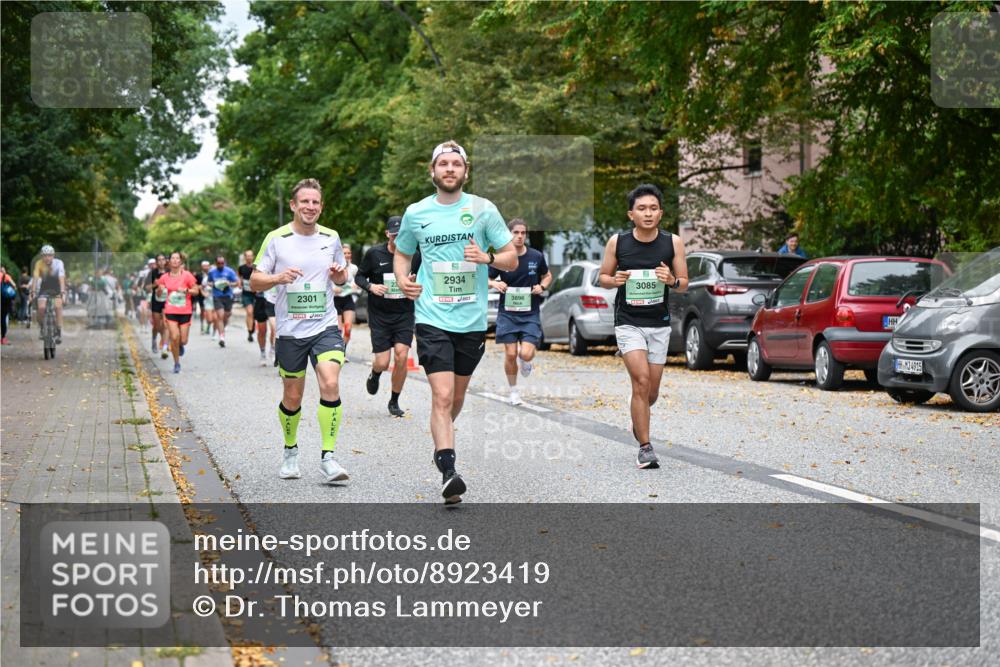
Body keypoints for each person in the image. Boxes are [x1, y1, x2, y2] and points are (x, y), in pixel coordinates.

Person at [394, 140, 517, 504]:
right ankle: (449, 470)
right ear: (432, 171)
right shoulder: (416, 213)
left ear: (466, 171)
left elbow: (510, 258)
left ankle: (441, 436)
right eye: (443, 164)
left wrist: (487, 256)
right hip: (431, 316)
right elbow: (403, 253)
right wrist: (403, 280)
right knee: (442, 394)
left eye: (456, 164)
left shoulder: (483, 209)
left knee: (456, 396)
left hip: (472, 320)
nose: (449, 169)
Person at [250, 178, 350, 483]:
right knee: (292, 396)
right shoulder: (276, 238)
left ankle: (328, 457)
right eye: (304, 202)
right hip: (291, 332)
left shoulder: (331, 238)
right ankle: (291, 451)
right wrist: (278, 278)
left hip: (325, 327)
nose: (310, 207)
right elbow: (255, 281)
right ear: (293, 205)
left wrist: (339, 274)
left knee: (330, 382)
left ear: (321, 207)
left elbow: (343, 279)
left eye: (315, 202)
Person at [598, 183, 688, 469]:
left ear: (660, 214)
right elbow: (602, 277)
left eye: (653, 208)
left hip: (658, 324)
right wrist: (615, 281)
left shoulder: (673, 242)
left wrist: (670, 280)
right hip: (628, 323)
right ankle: (645, 448)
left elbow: (684, 285)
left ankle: (638, 410)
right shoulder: (618, 242)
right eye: (642, 209)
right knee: (641, 381)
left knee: (651, 393)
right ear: (631, 214)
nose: (648, 213)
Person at [356, 215, 422, 417]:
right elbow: (359, 276)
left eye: (402, 235)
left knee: (402, 356)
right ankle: (375, 373)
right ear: (387, 235)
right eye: (394, 235)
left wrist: (414, 281)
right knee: (383, 362)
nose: (398, 239)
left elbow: (423, 280)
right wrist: (371, 286)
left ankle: (394, 400)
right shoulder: (375, 253)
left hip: (404, 313)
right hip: (380, 315)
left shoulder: (415, 256)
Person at [487, 218, 553, 406]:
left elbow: (547, 276)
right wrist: (495, 283)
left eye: (523, 233)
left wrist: (542, 286)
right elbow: (485, 279)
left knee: (525, 353)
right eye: (516, 233)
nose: (520, 236)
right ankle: (514, 392)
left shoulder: (536, 256)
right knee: (510, 354)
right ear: (509, 234)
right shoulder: (501, 257)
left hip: (529, 314)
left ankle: (525, 361)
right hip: (507, 314)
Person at [155, 251, 198, 373]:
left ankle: (179, 345)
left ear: (180, 261)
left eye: (177, 258)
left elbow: (196, 290)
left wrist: (187, 291)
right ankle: (176, 363)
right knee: (174, 337)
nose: (174, 260)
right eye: (172, 258)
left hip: (185, 311)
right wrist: (159, 289)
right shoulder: (164, 277)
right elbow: (159, 294)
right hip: (171, 310)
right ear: (169, 261)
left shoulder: (187, 275)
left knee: (183, 340)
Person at [32, 245, 66, 344]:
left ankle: (58, 332)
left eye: (50, 255)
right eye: (45, 255)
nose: (47, 258)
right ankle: (42, 328)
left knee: (58, 307)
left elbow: (61, 277)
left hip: (56, 287)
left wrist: (63, 292)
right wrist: (33, 292)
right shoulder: (39, 264)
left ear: (53, 255)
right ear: (42, 256)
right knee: (41, 308)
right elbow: (35, 278)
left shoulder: (59, 263)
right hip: (44, 288)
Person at [332, 244, 358, 353]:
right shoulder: (334, 267)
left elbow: (358, 280)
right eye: (344, 253)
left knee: (348, 329)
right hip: (335, 300)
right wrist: (334, 288)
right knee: (338, 329)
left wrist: (356, 285)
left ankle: (343, 351)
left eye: (349, 253)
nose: (347, 255)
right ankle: (337, 352)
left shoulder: (354, 268)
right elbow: (326, 281)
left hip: (348, 299)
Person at [208, 255, 238, 347]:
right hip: (217, 296)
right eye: (219, 263)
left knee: (227, 315)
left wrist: (229, 283)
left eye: (222, 263)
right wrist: (213, 284)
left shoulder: (229, 271)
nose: (221, 264)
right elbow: (209, 282)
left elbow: (236, 282)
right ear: (216, 263)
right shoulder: (212, 272)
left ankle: (222, 329)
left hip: (228, 296)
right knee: (220, 316)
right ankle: (222, 337)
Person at [145, 254, 170, 358]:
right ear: (156, 262)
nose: (161, 262)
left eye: (162, 260)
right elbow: (147, 287)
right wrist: (155, 285)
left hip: (167, 301)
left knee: (165, 324)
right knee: (157, 325)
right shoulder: (152, 273)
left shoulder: (169, 272)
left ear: (165, 261)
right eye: (158, 260)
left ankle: (164, 348)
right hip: (156, 301)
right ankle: (154, 338)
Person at [238, 249, 257, 342]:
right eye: (247, 255)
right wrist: (240, 283)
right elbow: (240, 279)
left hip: (257, 294)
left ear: (253, 256)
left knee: (254, 314)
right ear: (245, 257)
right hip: (246, 294)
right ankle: (250, 332)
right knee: (249, 312)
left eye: (251, 255)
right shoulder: (241, 268)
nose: (249, 257)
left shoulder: (256, 267)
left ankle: (252, 326)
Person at [1, 265, 17, 344]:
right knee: (3, 318)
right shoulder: (6, 276)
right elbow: (14, 285)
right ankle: (3, 338)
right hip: (4, 300)